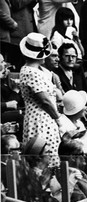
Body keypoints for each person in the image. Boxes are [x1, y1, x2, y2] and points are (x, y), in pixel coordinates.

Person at [19, 32, 65, 167]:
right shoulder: (30, 72)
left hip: (46, 117)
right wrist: (59, 120)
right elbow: (44, 101)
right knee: (44, 157)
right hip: (40, 119)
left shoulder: (38, 70)